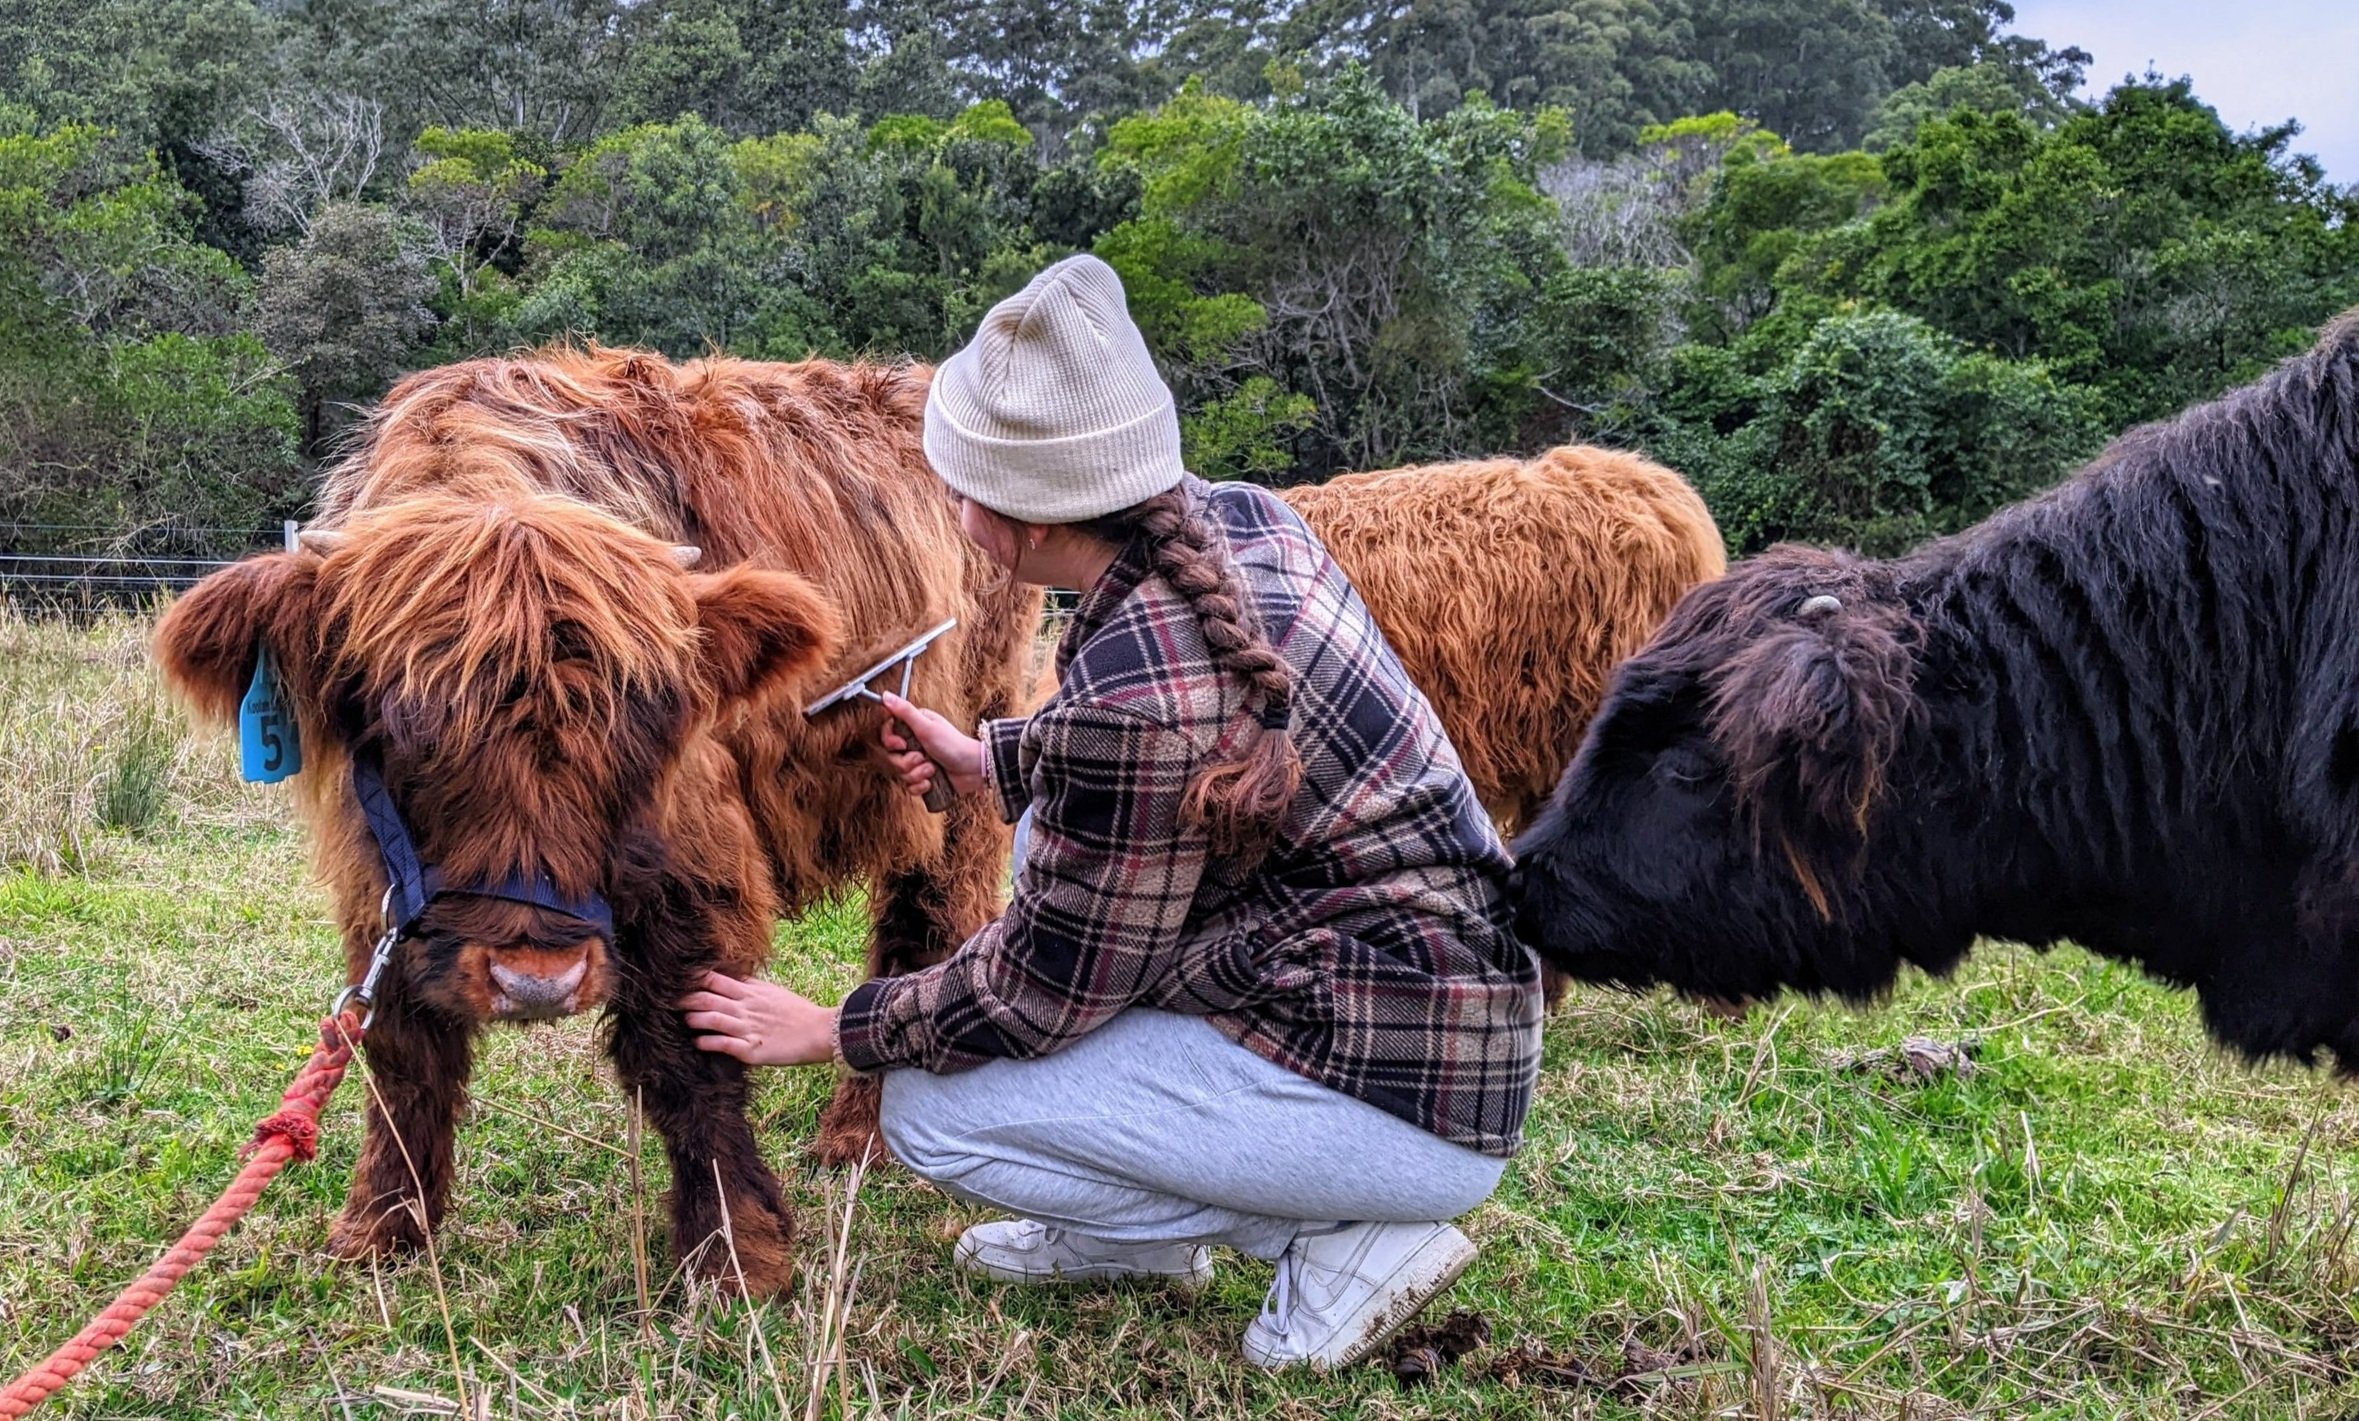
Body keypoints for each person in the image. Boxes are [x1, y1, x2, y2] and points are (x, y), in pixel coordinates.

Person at [676, 253, 1542, 1371]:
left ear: (1013, 520)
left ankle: (1333, 1243)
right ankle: (1123, 1233)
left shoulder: (1138, 707)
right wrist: (994, 759)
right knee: (1044, 837)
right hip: (1439, 1006)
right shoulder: (1241, 522)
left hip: (1400, 1093)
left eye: (955, 480)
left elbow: (1035, 997)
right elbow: (1171, 735)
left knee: (929, 1106)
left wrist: (834, 1026)